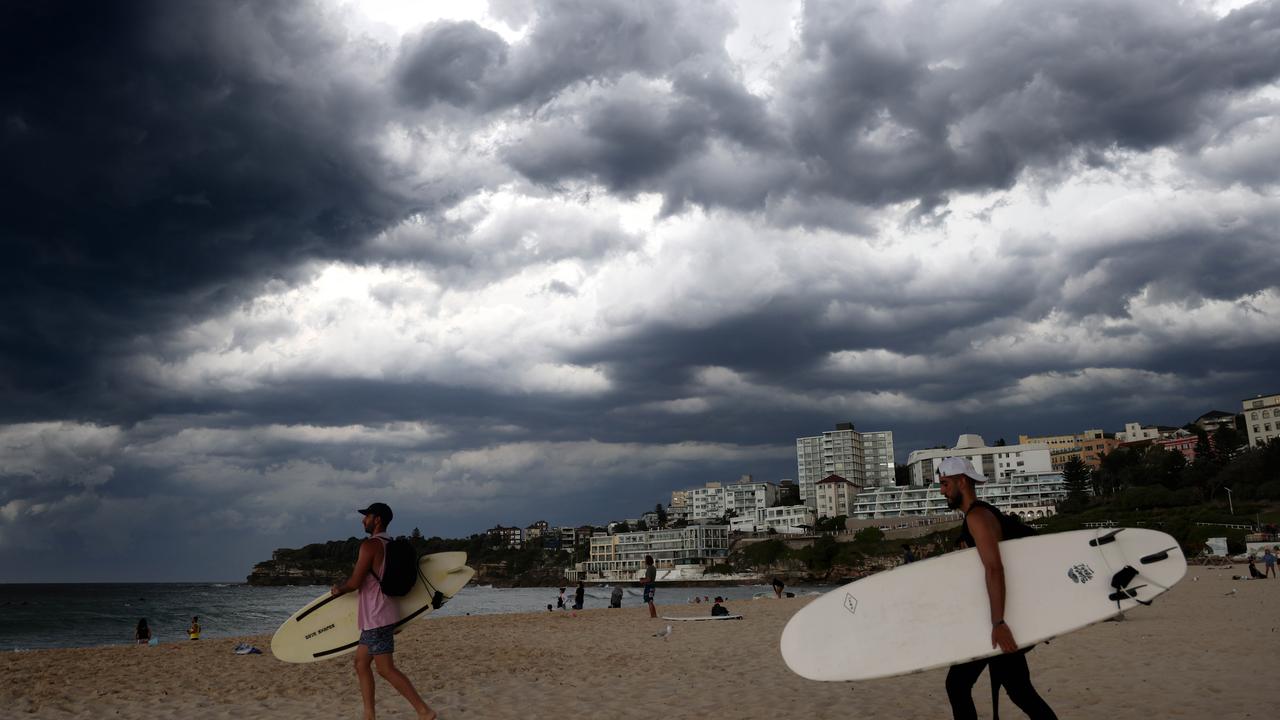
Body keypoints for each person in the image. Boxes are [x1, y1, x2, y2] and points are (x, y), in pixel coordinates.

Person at [937, 457, 1057, 720]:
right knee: (1018, 690)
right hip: (1006, 612)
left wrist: (998, 622)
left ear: (962, 481)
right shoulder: (980, 514)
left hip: (1002, 618)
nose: (942, 490)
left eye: (945, 484)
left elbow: (995, 568)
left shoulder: (978, 517)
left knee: (958, 685)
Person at [330, 502, 437, 720]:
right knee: (361, 663)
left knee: (386, 669)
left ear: (377, 519)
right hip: (382, 613)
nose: (363, 520)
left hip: (377, 616)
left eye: (367, 516)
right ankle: (369, 715)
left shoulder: (370, 546)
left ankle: (424, 711)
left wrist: (338, 590)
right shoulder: (390, 544)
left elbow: (355, 582)